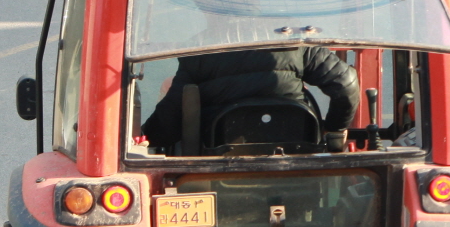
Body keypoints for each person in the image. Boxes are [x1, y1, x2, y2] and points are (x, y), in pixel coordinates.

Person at [142, 45, 361, 155]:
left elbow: (168, 125)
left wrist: (144, 137)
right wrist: (333, 129)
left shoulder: (198, 54)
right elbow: (347, 84)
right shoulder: (296, 45)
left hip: (220, 174)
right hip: (296, 166)